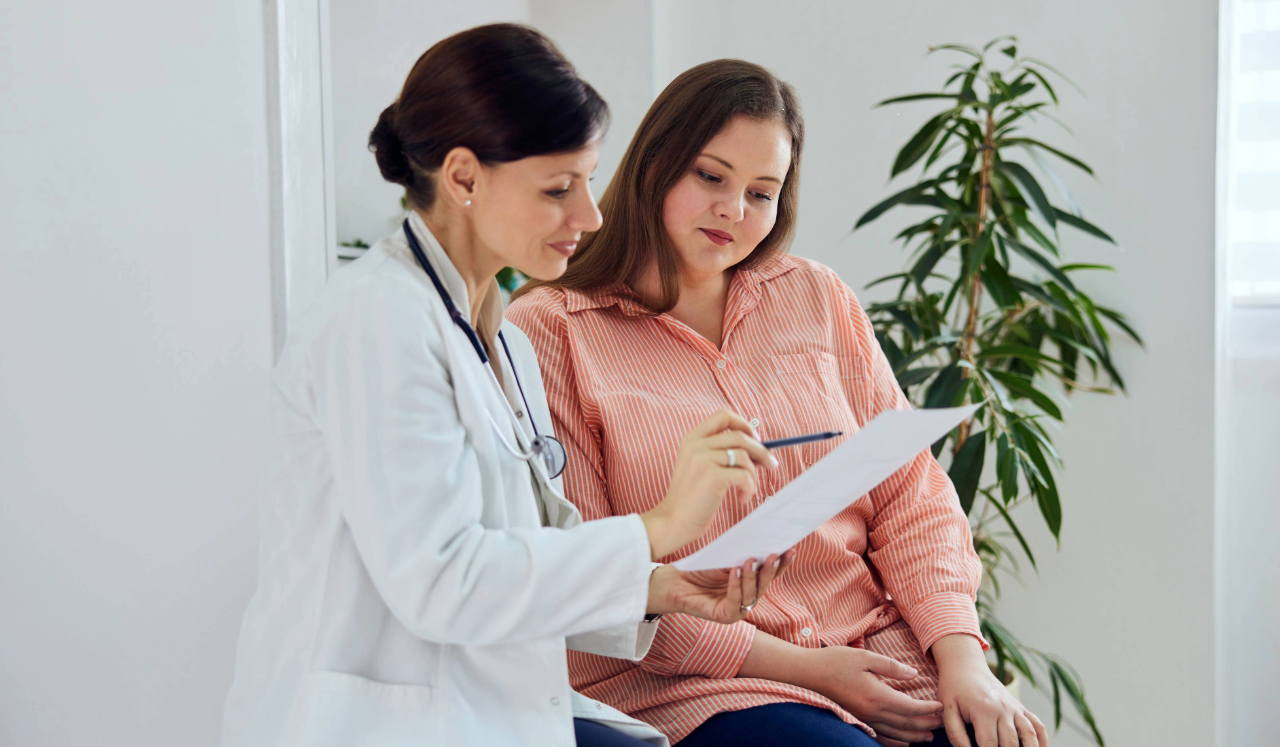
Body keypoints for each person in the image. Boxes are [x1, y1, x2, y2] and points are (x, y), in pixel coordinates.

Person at [219, 27, 793, 747]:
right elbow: (445, 581)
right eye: (559, 189)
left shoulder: (505, 340)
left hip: (488, 711)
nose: (589, 216)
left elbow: (531, 548)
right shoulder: (378, 318)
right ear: (462, 178)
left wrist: (657, 584)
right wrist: (660, 527)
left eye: (587, 181)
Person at [507, 59, 1051, 747]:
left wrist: (964, 661)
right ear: (654, 163)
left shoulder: (817, 298)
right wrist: (813, 672)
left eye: (761, 192)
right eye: (711, 175)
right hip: (700, 684)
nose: (734, 210)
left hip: (873, 649)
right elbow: (591, 567)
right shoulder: (551, 329)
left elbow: (913, 495)